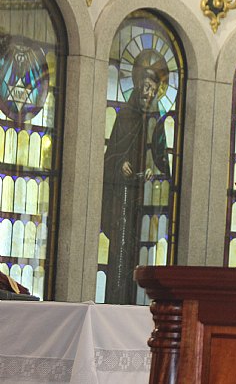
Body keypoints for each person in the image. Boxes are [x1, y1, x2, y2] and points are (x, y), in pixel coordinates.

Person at [101, 50, 169, 304]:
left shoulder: (157, 122)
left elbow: (163, 162)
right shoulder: (125, 116)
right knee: (120, 250)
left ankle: (140, 299)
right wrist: (121, 164)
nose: (148, 93)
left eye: (153, 90)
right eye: (146, 87)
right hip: (122, 195)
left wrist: (154, 170)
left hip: (146, 199)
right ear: (138, 86)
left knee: (143, 248)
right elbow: (110, 156)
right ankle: (115, 296)